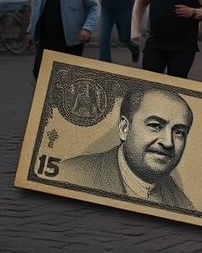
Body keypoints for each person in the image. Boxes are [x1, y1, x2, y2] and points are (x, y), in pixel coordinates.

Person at [59, 88, 194, 209]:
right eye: (155, 126)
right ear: (124, 128)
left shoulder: (183, 204)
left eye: (179, 132)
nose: (168, 142)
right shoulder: (70, 175)